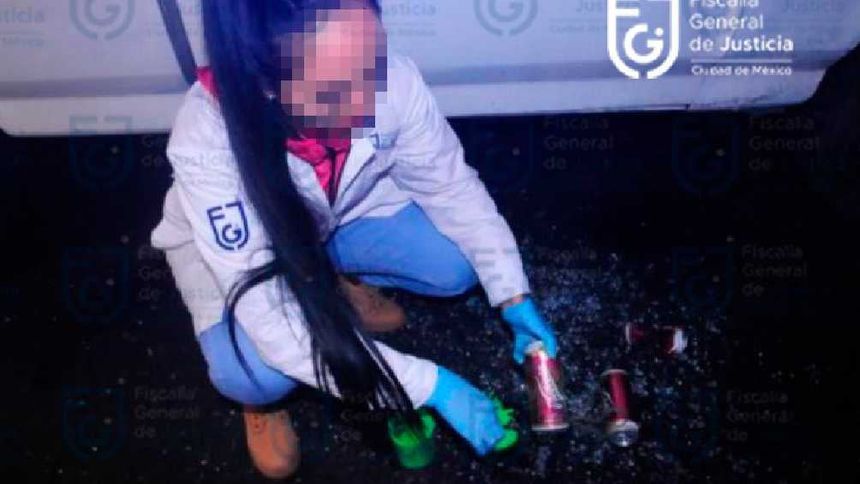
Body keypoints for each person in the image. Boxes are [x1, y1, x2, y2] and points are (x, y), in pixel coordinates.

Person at [150, 0, 559, 478]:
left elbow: (451, 188)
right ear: (267, 87)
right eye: (336, 91)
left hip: (336, 221)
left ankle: (335, 285)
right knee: (254, 373)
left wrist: (512, 295)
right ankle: (262, 405)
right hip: (246, 264)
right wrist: (430, 385)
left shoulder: (391, 83)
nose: (368, 105)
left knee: (456, 263)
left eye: (374, 64)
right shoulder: (205, 141)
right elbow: (270, 320)